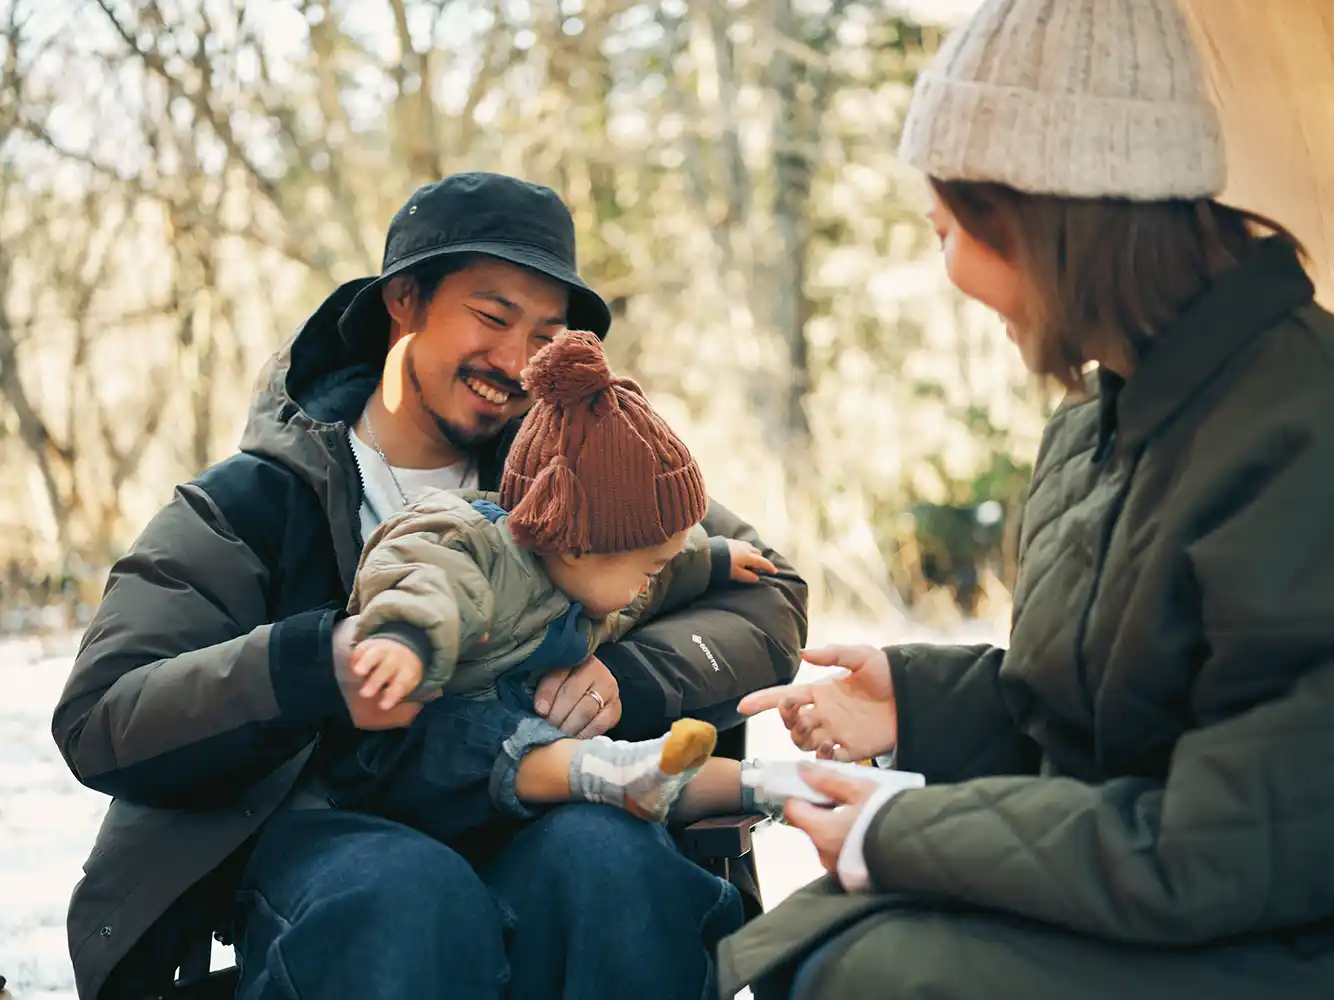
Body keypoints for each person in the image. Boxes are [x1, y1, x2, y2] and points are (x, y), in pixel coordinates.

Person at [52, 171, 809, 1000]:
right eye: (492, 317)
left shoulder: (572, 471)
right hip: (326, 836)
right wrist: (309, 670)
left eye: (545, 333)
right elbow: (102, 715)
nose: (517, 361)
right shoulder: (253, 502)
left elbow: (765, 585)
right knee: (402, 896)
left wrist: (628, 678)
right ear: (403, 303)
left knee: (617, 867)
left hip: (532, 800)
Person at [717, 1, 1334, 998]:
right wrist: (914, 704)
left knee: (873, 971)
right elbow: (1108, 724)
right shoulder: (1098, 422)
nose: (947, 270)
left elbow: (1239, 832)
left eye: (949, 232)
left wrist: (895, 827)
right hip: (1159, 897)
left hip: (1275, 930)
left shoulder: (1301, 435)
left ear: (1046, 228)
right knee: (820, 949)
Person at [330, 327, 781, 831]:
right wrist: (405, 639)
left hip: (517, 763)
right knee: (466, 729)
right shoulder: (473, 545)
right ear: (576, 544)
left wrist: (716, 558)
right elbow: (427, 583)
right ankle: (618, 773)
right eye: (647, 569)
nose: (646, 585)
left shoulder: (593, 577)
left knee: (589, 761)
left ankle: (762, 783)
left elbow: (668, 569)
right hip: (408, 760)